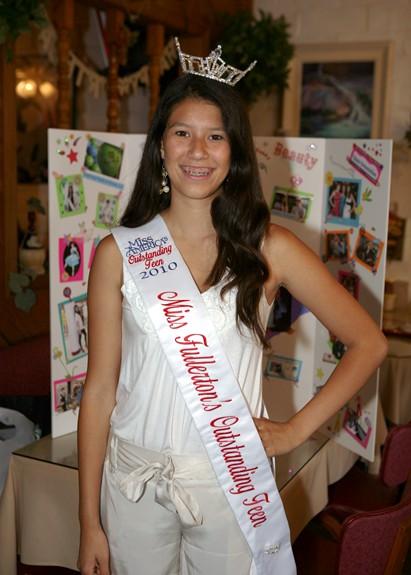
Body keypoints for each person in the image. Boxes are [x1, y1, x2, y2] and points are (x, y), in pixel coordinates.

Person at [77, 41, 387, 575]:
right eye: (182, 133)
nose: (198, 151)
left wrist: (294, 431)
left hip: (230, 480)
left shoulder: (270, 248)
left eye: (215, 136)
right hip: (133, 481)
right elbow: (100, 388)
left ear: (235, 151)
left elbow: (369, 343)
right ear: (160, 146)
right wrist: (88, 522)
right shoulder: (118, 254)